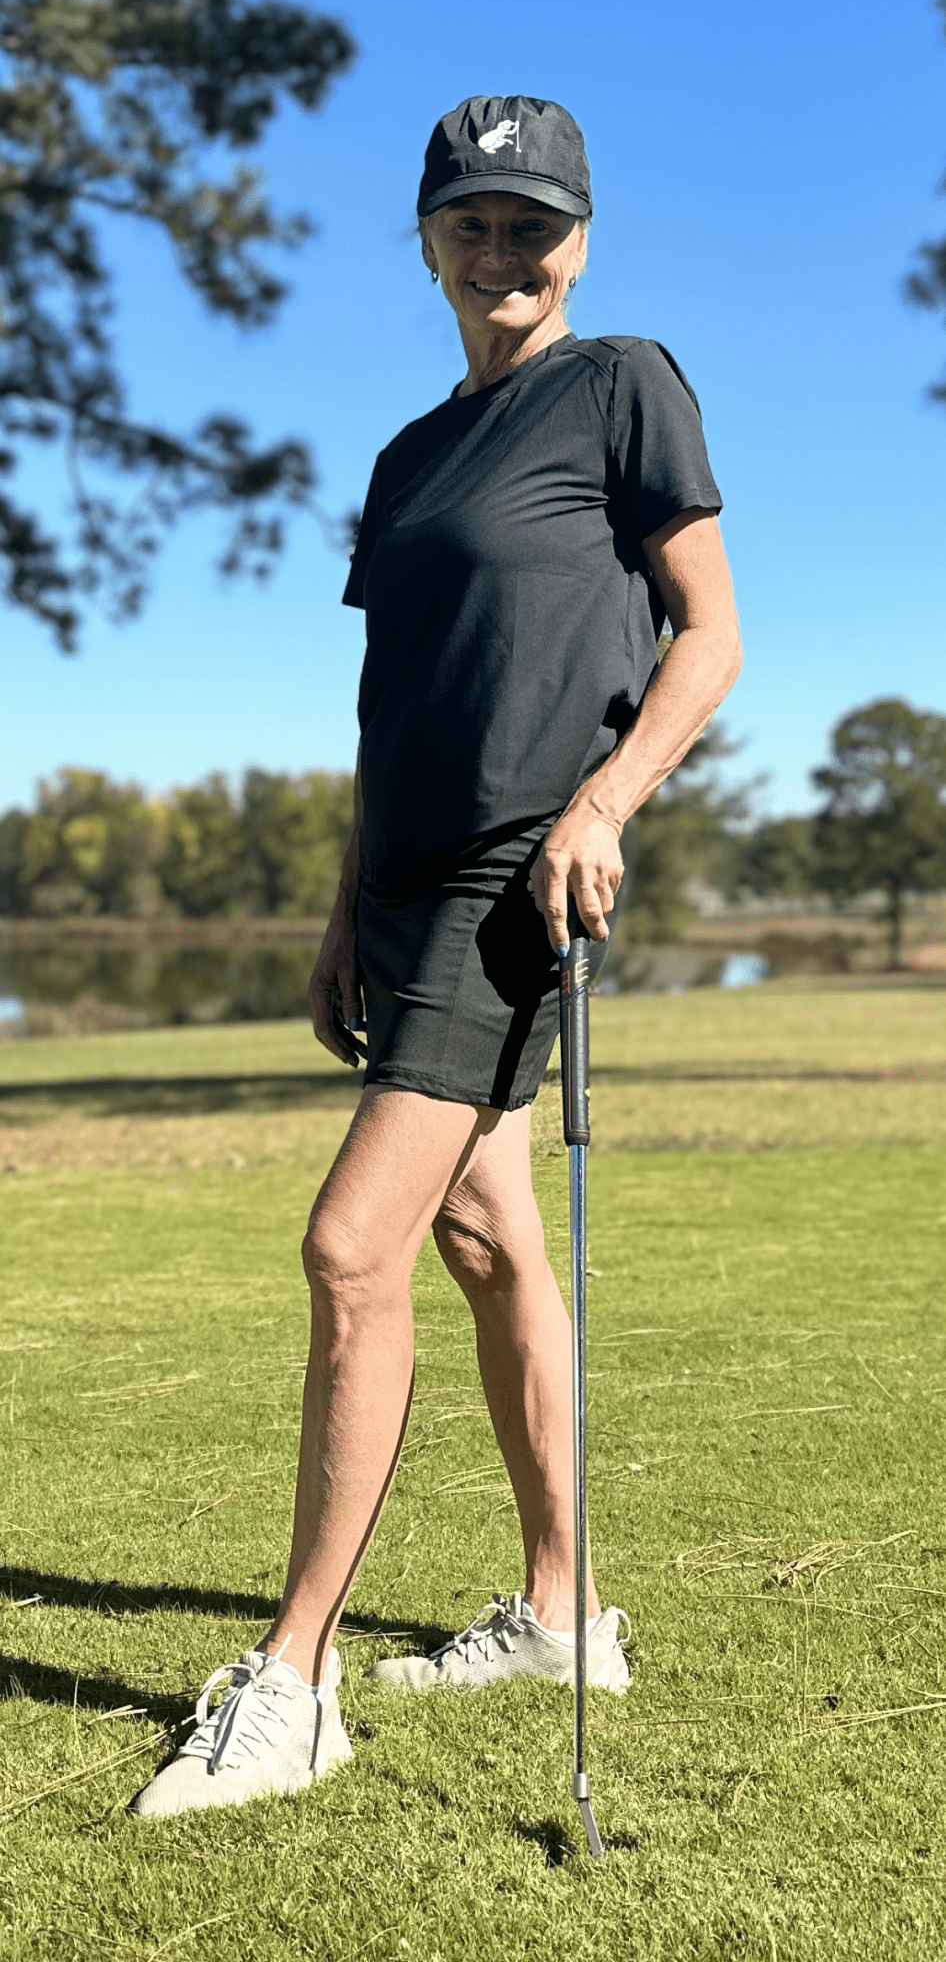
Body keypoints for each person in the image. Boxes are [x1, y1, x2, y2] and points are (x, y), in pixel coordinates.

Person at [131, 96, 741, 1818]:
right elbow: (387, 702)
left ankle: (293, 1680)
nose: (506, 252)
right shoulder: (406, 460)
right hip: (400, 886)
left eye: (536, 223)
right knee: (483, 1240)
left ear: (583, 239)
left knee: (347, 1249)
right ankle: (560, 1615)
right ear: (424, 239)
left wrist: (606, 799)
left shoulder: (624, 382)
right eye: (473, 222)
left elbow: (711, 632)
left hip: (511, 878)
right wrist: (340, 905)